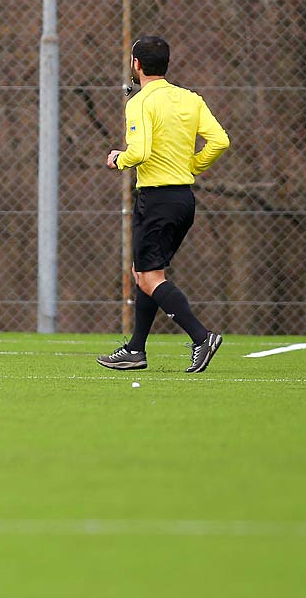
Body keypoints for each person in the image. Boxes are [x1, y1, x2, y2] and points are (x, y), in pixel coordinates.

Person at [98, 34, 230, 373]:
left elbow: (139, 152)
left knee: (148, 276)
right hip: (183, 199)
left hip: (156, 198)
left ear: (136, 64)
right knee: (145, 273)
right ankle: (136, 349)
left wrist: (119, 158)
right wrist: (194, 165)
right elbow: (219, 141)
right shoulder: (190, 99)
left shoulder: (140, 102)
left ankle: (202, 337)